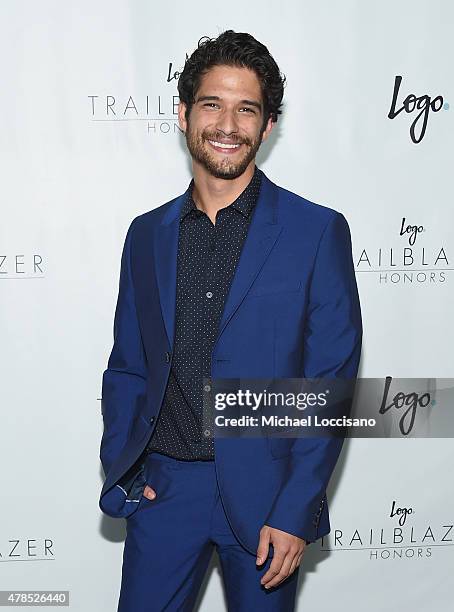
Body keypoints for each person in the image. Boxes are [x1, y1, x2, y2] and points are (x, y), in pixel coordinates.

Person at [99, 29, 362, 611]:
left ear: (267, 126)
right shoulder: (146, 235)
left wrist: (296, 509)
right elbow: (127, 365)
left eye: (247, 109)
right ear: (183, 113)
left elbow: (329, 387)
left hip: (269, 498)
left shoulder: (316, 232)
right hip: (165, 488)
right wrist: (125, 462)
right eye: (212, 104)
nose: (228, 124)